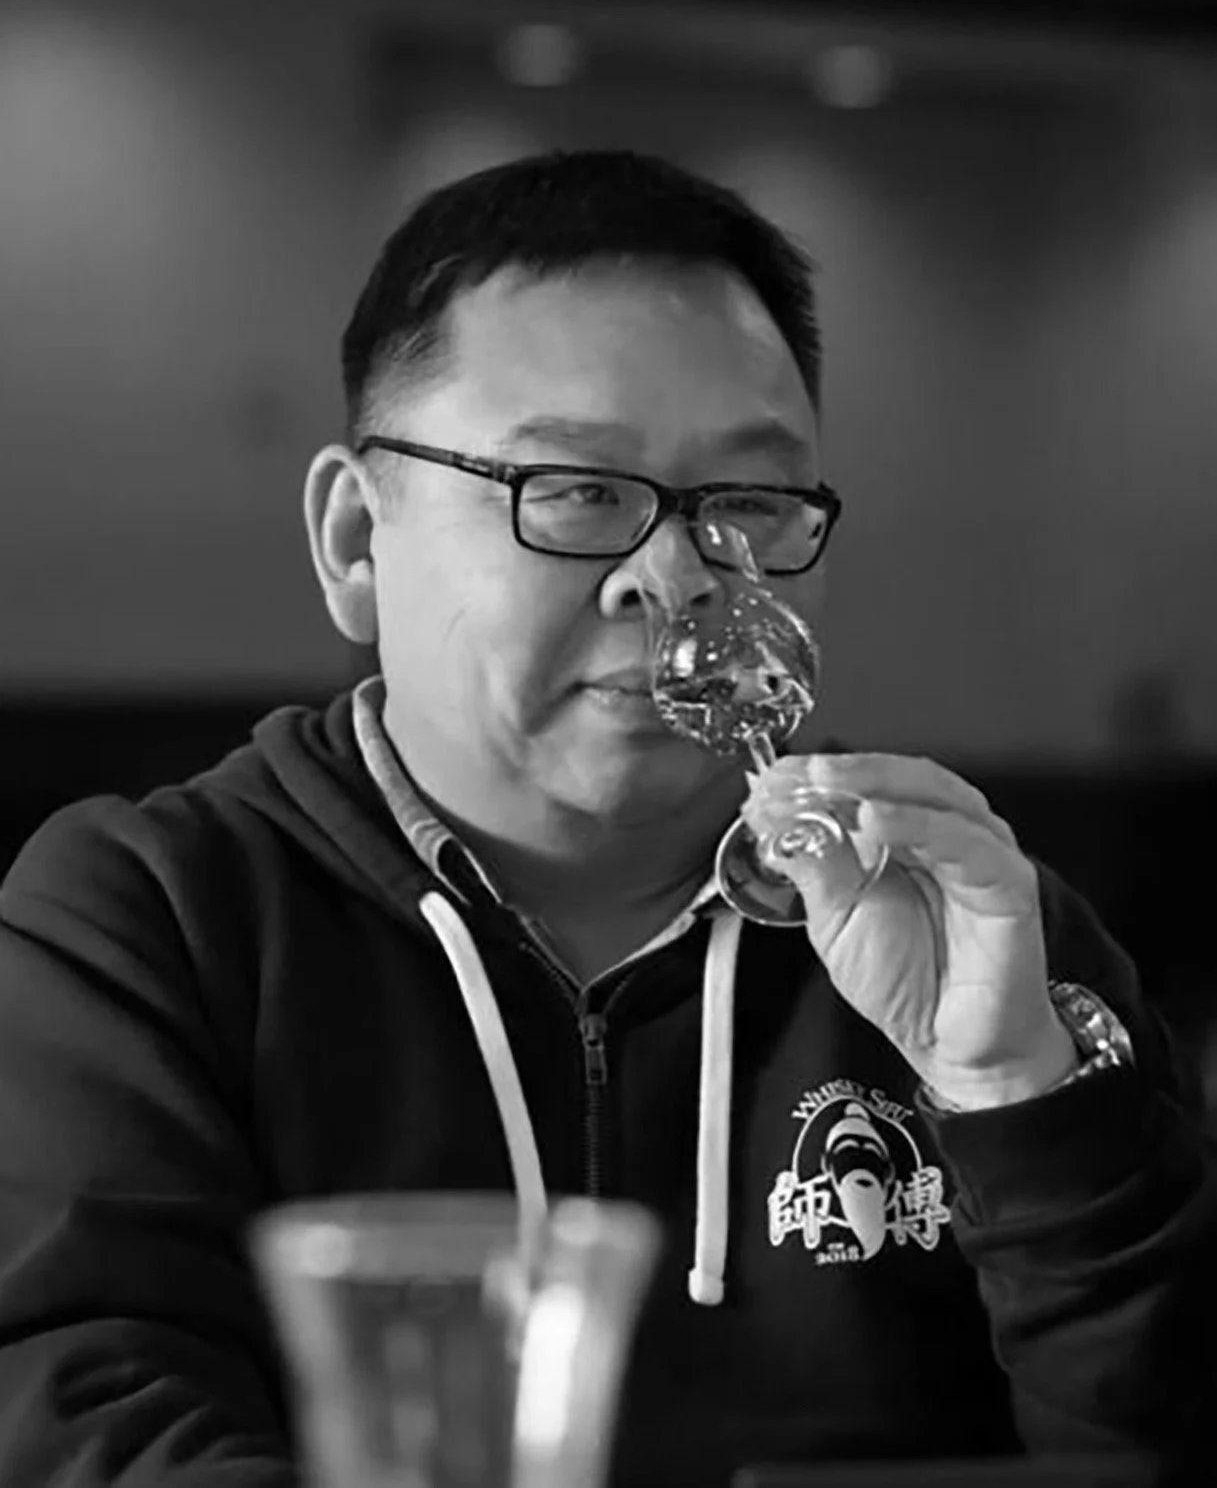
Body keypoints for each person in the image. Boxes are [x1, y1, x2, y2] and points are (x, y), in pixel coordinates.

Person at [0, 147, 1211, 1488]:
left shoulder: (986, 938)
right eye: (574, 491)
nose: (677, 579)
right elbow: (87, 1430)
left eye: (746, 502)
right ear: (355, 540)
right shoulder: (146, 927)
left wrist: (1013, 1095)